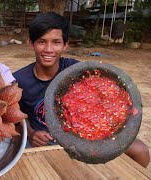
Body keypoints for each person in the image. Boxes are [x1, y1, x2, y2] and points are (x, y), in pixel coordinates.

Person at [13, 12, 150, 168]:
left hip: (81, 138)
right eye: (42, 42)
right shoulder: (19, 80)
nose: (49, 49)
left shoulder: (76, 71)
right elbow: (16, 116)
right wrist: (31, 133)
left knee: (141, 151)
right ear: (31, 43)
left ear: (65, 44)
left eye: (56, 42)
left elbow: (101, 99)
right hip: (42, 142)